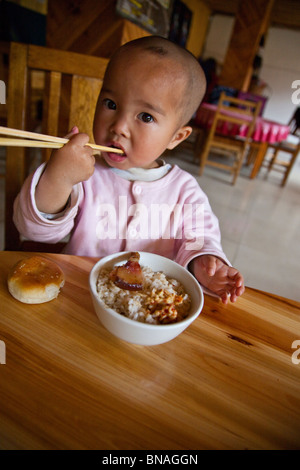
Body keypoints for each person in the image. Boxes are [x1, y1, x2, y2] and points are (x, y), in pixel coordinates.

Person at [13, 36, 244, 304]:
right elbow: (32, 230)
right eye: (110, 104)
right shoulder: (83, 172)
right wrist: (59, 177)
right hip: (78, 296)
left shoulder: (184, 190)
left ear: (176, 137)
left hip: (148, 308)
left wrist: (204, 262)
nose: (119, 126)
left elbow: (199, 237)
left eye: (146, 117)